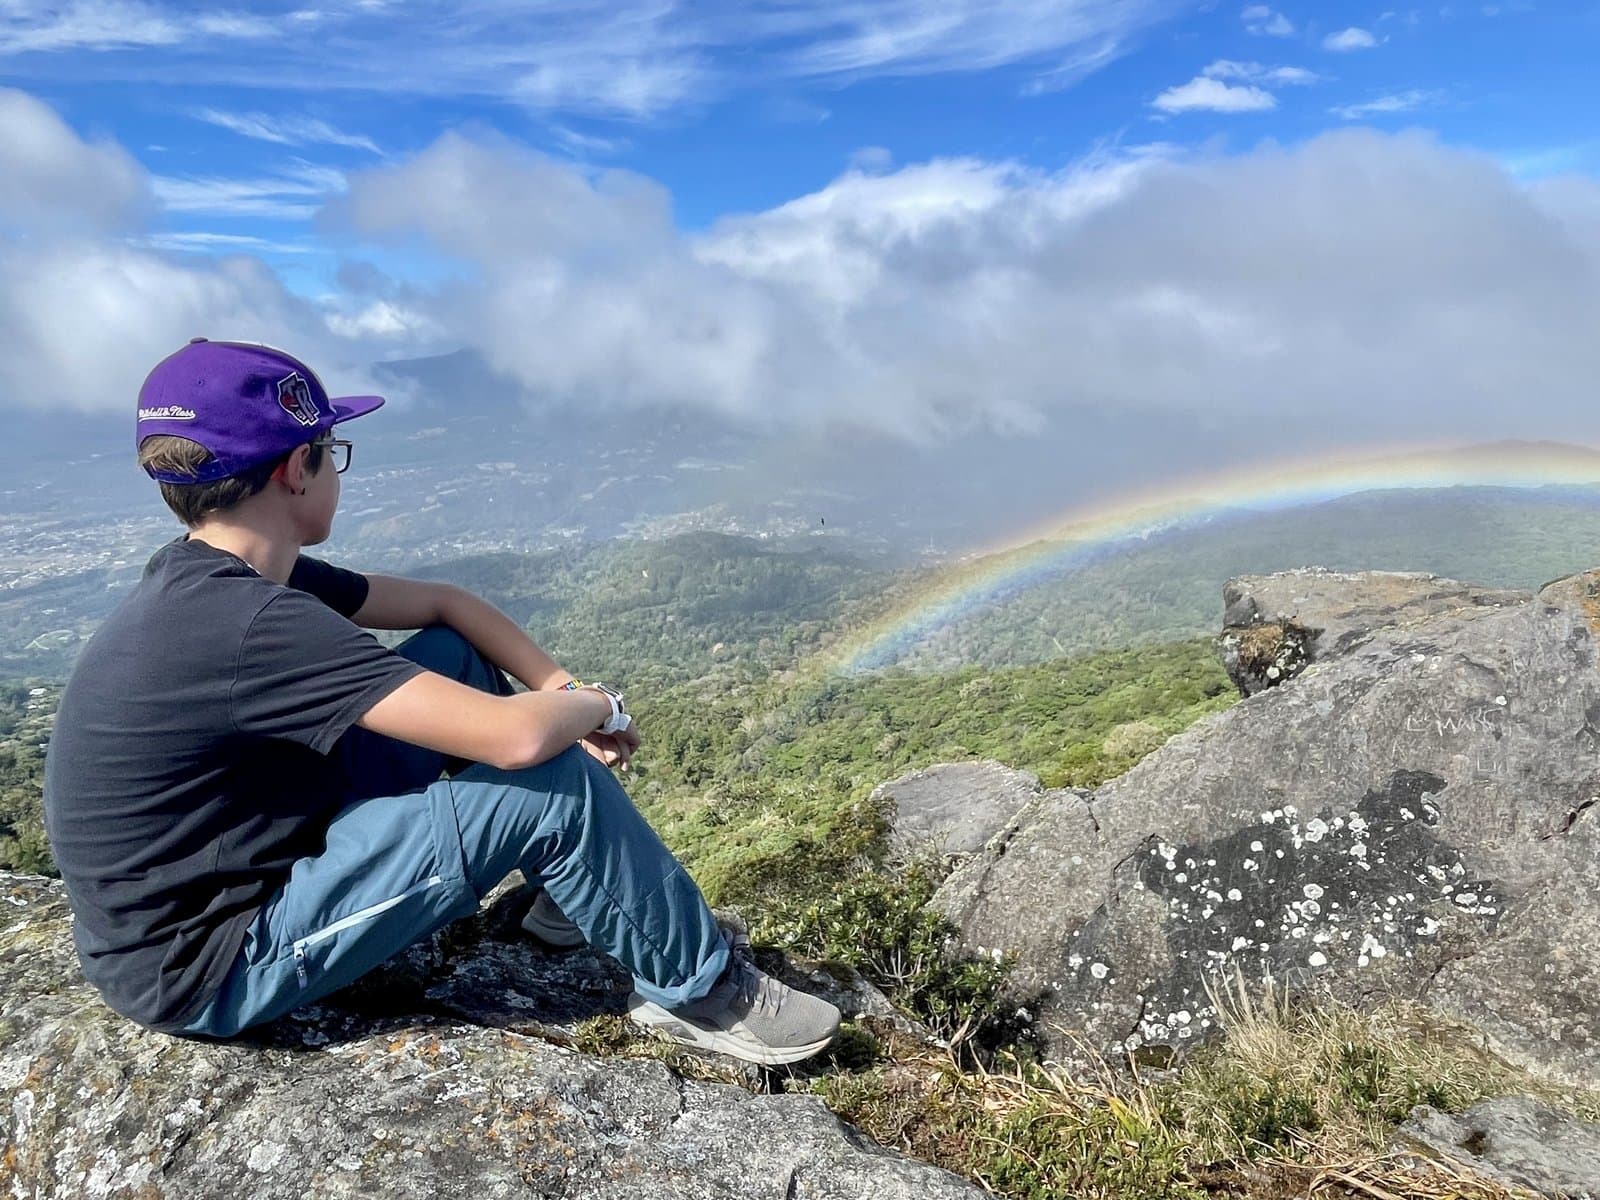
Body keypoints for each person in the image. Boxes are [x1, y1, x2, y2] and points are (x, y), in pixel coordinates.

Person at [41, 338, 840, 1066]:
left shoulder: (225, 578)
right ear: (294, 469)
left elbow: (448, 608)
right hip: (212, 959)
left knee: (457, 661)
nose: (336, 470)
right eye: (332, 451)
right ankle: (703, 995)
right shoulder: (249, 621)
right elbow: (515, 745)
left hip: (245, 852)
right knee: (549, 789)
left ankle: (581, 898)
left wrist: (555, 689)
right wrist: (597, 704)